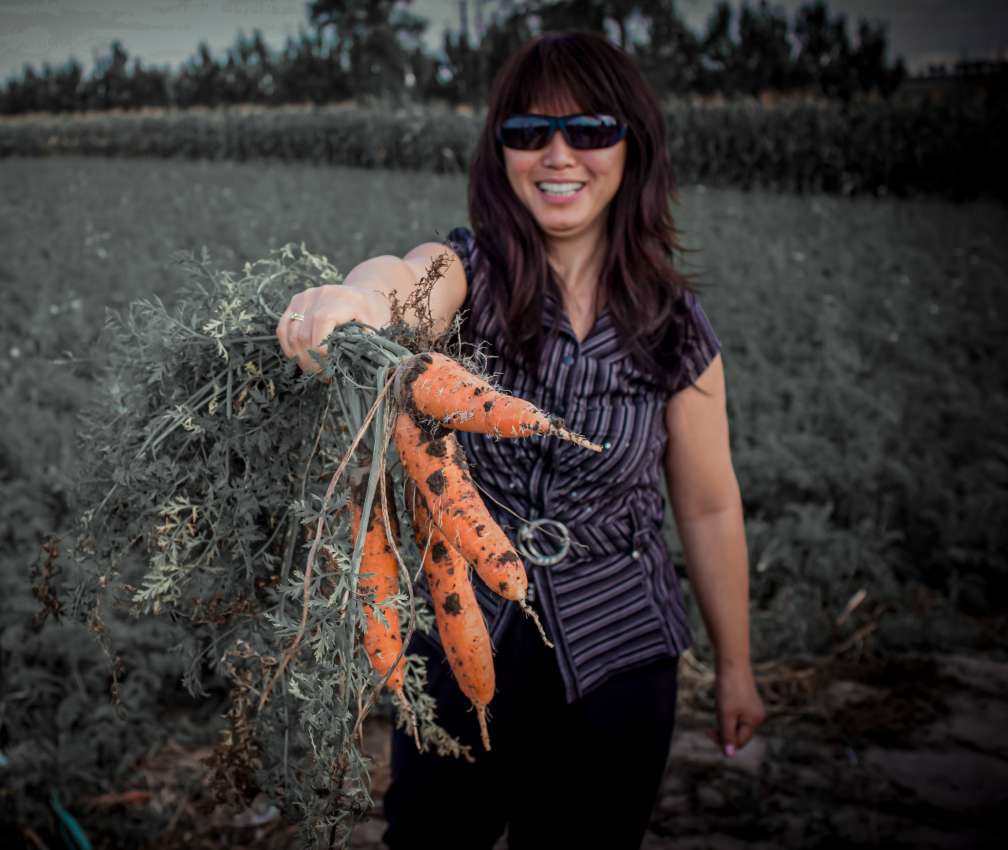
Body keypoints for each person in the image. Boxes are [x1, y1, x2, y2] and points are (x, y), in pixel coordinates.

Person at [275, 30, 765, 849]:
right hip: (463, 638)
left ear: (631, 143)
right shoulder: (468, 279)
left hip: (621, 649)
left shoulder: (673, 326)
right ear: (500, 153)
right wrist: (354, 302)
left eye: (589, 130)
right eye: (529, 133)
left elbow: (711, 509)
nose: (558, 154)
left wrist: (738, 666)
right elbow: (404, 280)